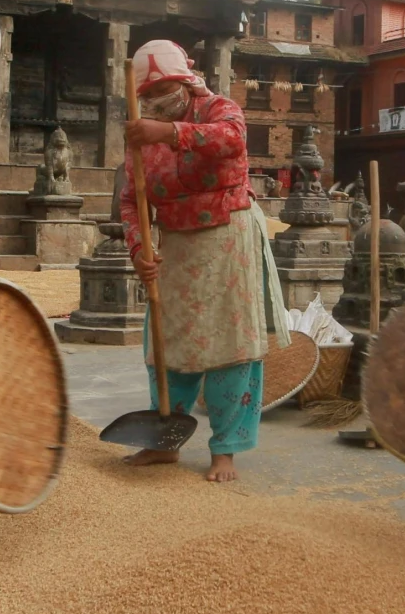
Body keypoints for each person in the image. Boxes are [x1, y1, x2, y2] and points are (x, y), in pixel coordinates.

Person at [116, 40, 290, 484]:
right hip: (175, 243)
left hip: (227, 235)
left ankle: (226, 448)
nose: (159, 100)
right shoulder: (139, 134)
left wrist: (170, 133)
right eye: (149, 95)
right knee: (168, 343)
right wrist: (141, 250)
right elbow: (130, 201)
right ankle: (165, 442)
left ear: (187, 82)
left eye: (167, 89)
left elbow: (232, 141)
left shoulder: (219, 109)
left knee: (229, 342)